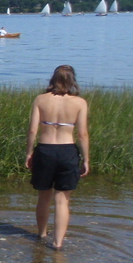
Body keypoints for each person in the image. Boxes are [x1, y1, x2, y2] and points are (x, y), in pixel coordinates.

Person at [25, 65, 90, 249]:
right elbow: (82, 134)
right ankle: (58, 243)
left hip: (45, 150)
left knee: (43, 197)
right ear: (72, 80)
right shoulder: (80, 103)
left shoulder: (40, 99)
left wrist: (29, 153)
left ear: (53, 79)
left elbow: (32, 130)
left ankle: (42, 234)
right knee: (62, 201)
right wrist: (86, 159)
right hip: (67, 151)